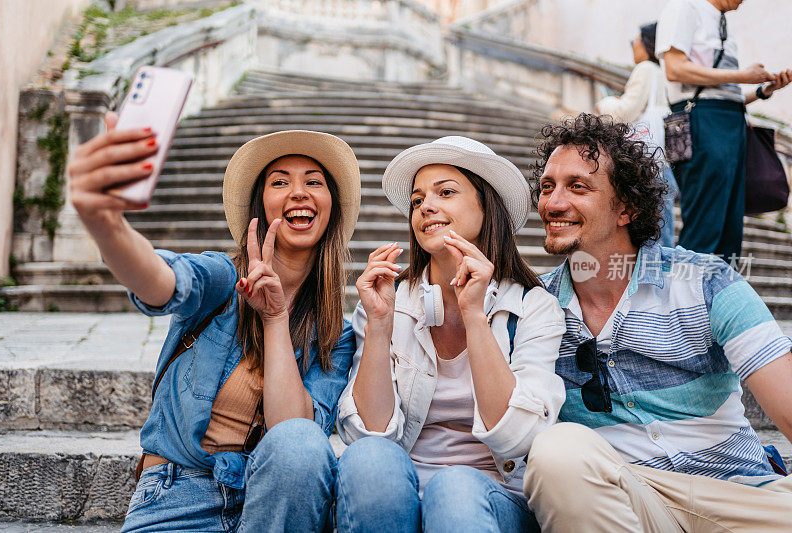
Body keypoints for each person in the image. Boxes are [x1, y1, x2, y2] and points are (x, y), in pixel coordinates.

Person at [68, 117, 360, 532]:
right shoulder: (223, 279)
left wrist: (275, 319)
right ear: (261, 206)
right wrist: (107, 225)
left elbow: (295, 439)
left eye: (314, 182)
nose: (298, 192)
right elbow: (162, 280)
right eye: (279, 182)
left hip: (271, 504)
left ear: (330, 207)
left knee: (302, 443)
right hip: (176, 497)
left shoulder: (336, 335)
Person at [523, 113, 792, 532]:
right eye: (547, 186)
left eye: (578, 186)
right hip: (629, 499)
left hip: (742, 497)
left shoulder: (706, 282)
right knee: (557, 451)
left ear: (625, 207)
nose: (552, 203)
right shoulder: (531, 306)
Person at [334, 136, 566, 532]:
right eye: (417, 199)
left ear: (486, 206)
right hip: (398, 488)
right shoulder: (390, 301)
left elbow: (519, 438)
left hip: (489, 496)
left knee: (454, 488)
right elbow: (365, 433)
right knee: (369, 459)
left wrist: (474, 315)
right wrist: (379, 326)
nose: (426, 206)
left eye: (446, 192)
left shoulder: (533, 308)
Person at [656, 0, 792, 260]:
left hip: (730, 122)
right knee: (705, 225)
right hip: (703, 122)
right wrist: (742, 75)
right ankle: (685, 297)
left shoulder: (720, 20)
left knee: (730, 231)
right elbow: (674, 69)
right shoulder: (685, 9)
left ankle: (720, 298)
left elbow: (723, 92)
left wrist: (763, 91)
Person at [597, 22, 678, 247]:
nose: (633, 46)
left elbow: (625, 112)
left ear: (647, 44)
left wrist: (604, 104)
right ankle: (664, 274)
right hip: (665, 161)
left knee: (647, 229)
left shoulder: (646, 69)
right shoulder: (666, 72)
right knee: (664, 226)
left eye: (636, 41)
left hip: (646, 161)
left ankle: (648, 277)